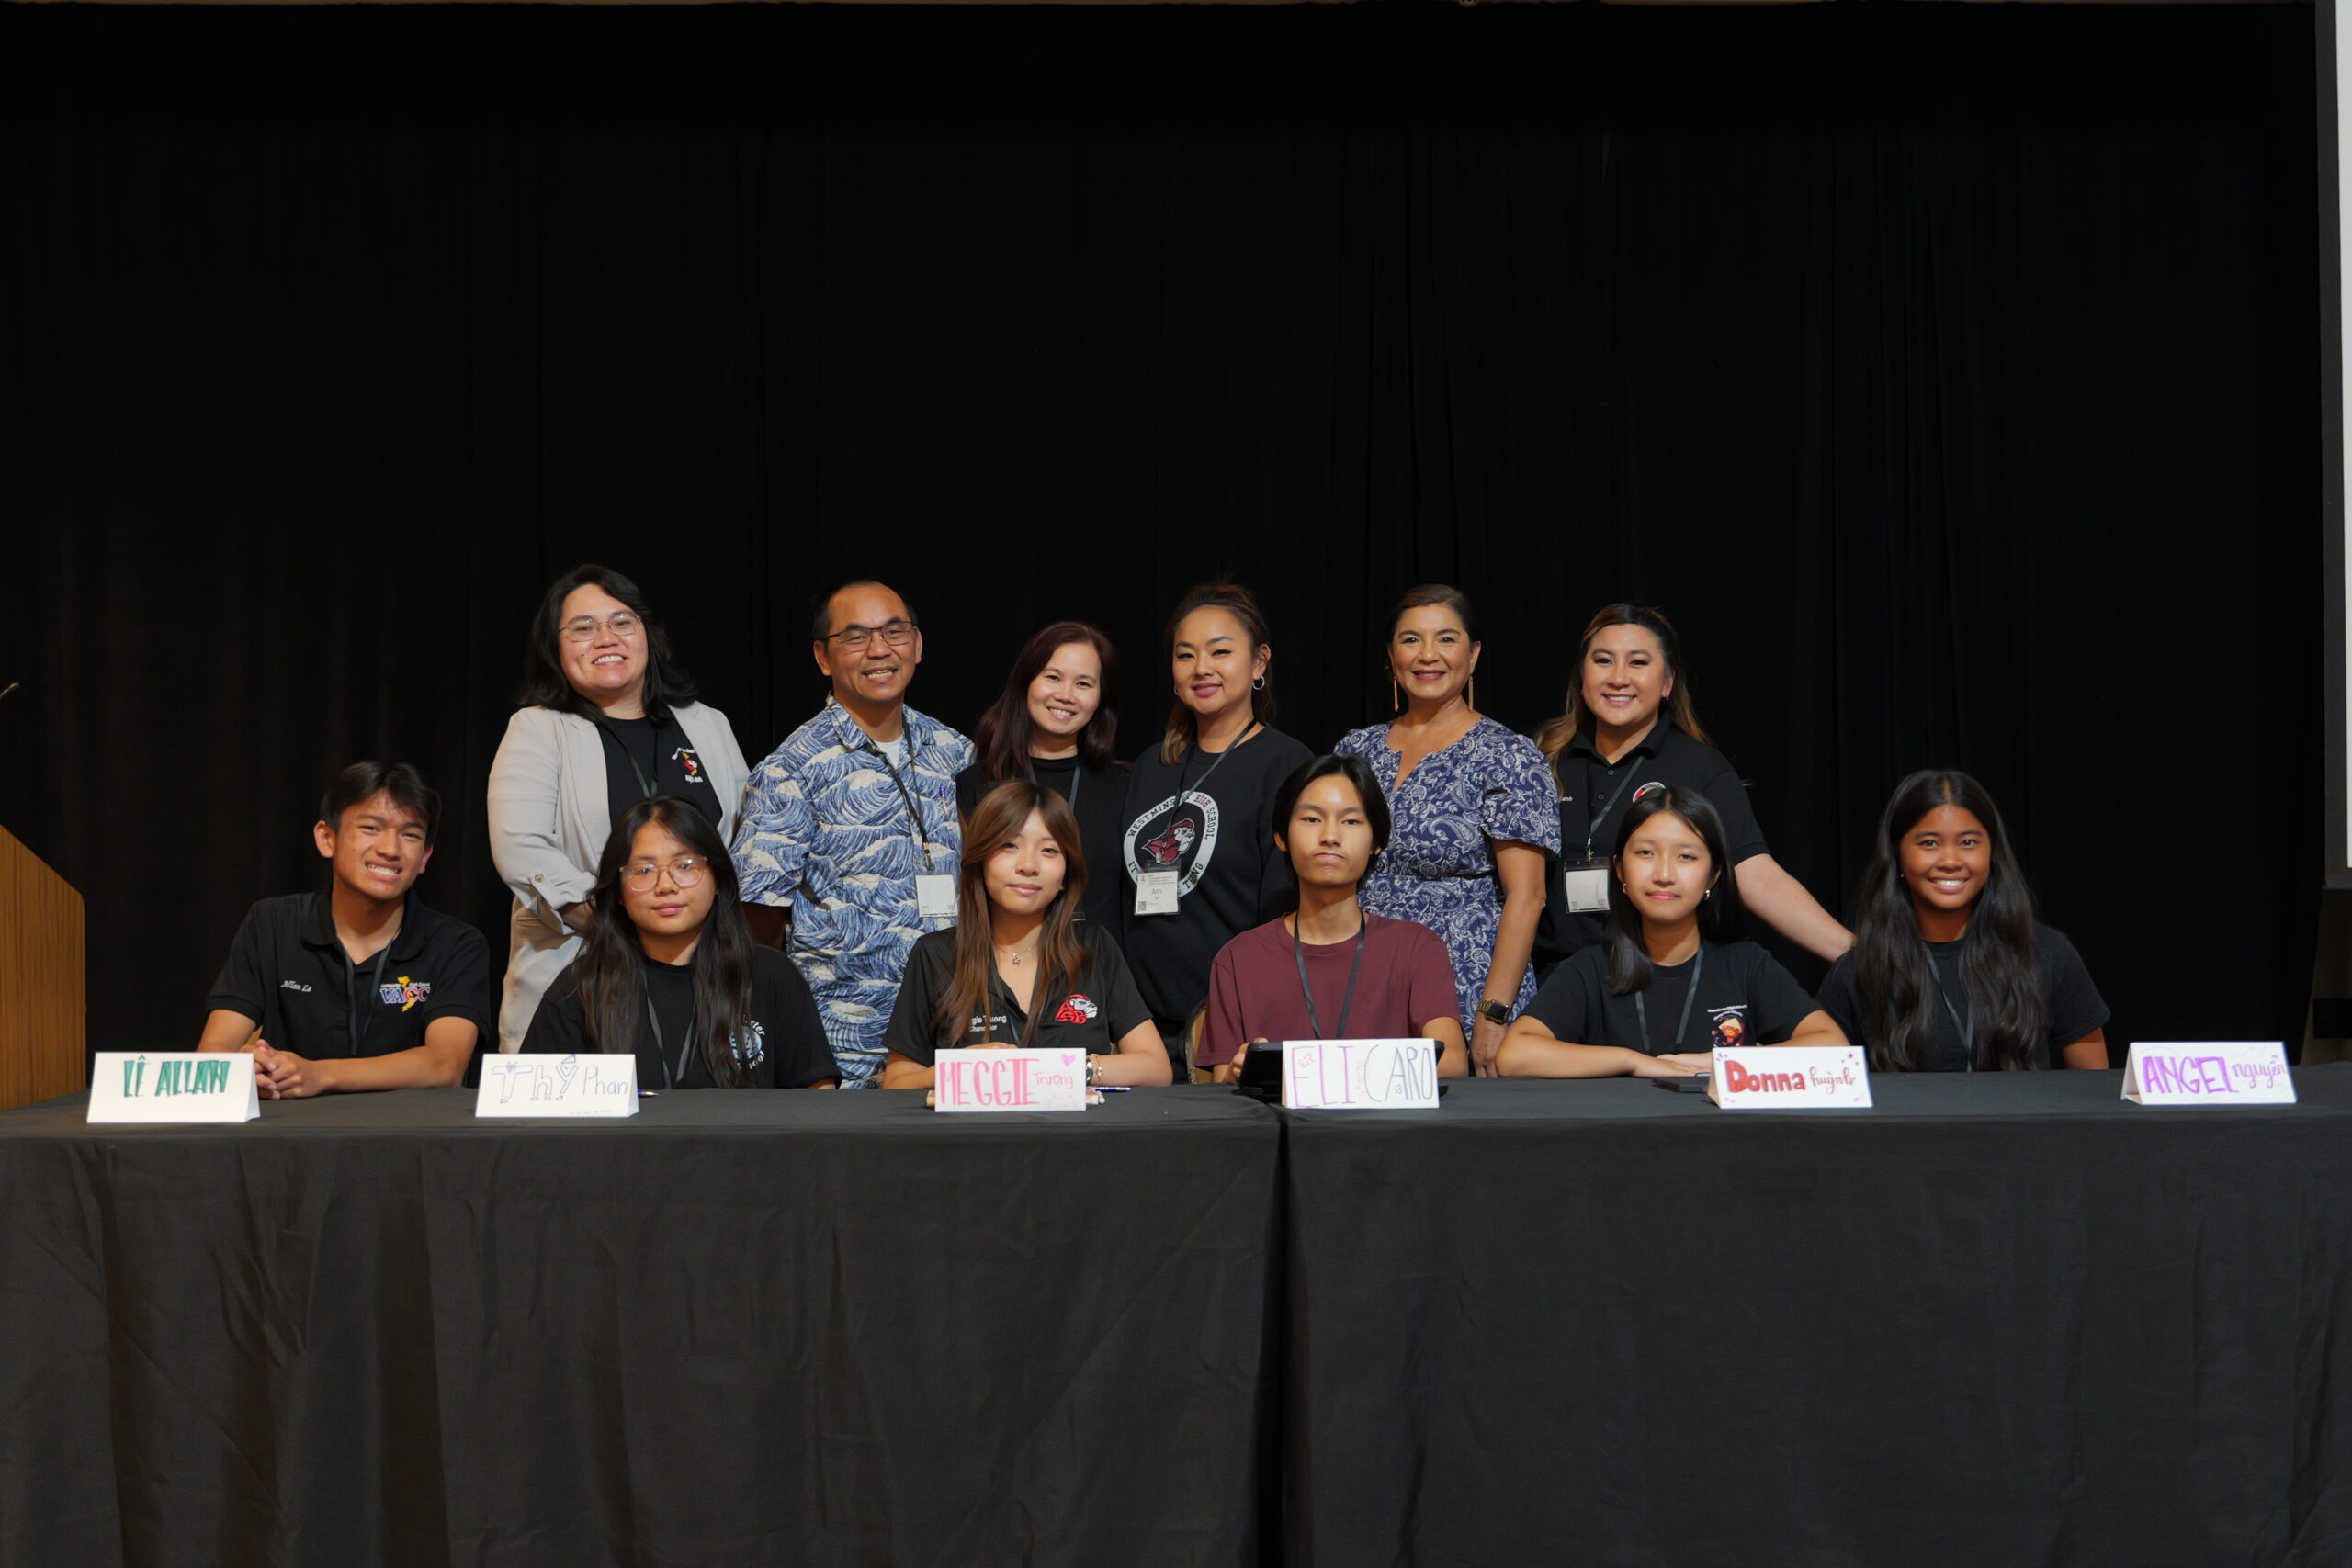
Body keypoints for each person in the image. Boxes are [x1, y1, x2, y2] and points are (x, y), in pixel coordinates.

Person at [487, 564, 752, 1051]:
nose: (605, 638)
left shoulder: (707, 724)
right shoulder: (538, 728)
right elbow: (521, 847)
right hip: (579, 975)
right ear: (554, 645)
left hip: (703, 974)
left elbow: (742, 840)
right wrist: (629, 925)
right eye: (583, 628)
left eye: (622, 621)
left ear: (647, 633)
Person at [733, 580, 974, 1089]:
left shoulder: (956, 754)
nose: (880, 650)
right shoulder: (790, 770)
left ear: (919, 644)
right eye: (856, 637)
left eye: (894, 631)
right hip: (846, 1044)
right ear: (823, 657)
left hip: (955, 1033)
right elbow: (759, 923)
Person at [1530, 604, 1849, 975]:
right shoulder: (1542, 760)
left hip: (1656, 979)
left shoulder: (1700, 770)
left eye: (1638, 663)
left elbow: (1758, 878)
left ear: (1667, 683)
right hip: (1556, 983)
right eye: (1603, 661)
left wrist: (1856, 957)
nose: (1618, 678)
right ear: (1582, 677)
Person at [1336, 585, 1556, 1076]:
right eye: (1411, 640)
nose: (1428, 655)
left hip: (1466, 985)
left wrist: (1493, 1015)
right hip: (1364, 976)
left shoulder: (1508, 755)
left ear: (1473, 654)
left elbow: (1528, 896)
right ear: (1392, 656)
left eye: (1447, 639)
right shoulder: (1355, 750)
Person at [1499, 785, 1843, 1077]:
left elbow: (1832, 1045)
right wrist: (1633, 1062)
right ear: (1620, 870)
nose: (1664, 874)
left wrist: (1719, 1062)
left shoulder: (1745, 964)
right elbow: (1515, 1055)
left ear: (1713, 876)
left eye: (1686, 857)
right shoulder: (1589, 968)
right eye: (1646, 853)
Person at [198, 761, 492, 1098]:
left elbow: (446, 1066)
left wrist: (319, 1074)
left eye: (410, 834)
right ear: (327, 838)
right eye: (371, 828)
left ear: (425, 857)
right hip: (287, 1137)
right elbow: (213, 1053)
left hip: (410, 1140)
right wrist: (247, 1067)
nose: (390, 849)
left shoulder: (456, 944)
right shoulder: (272, 923)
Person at [1119, 583, 1315, 1065]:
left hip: (1233, 1030)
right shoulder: (1151, 765)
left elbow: (1288, 912)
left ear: (1259, 662)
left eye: (1220, 652)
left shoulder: (1287, 764)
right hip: (1139, 1031)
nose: (1201, 668)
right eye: (1185, 655)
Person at [524, 797, 836, 1089]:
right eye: (643, 870)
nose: (665, 885)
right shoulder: (580, 987)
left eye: (685, 866)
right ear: (617, 891)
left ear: (717, 879)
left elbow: (817, 1104)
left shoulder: (771, 976)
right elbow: (535, 1120)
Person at [879, 782, 1170, 1088]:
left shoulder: (1093, 946)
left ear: (1065, 874)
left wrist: (1063, 1069)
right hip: (972, 1135)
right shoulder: (935, 954)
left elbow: (1156, 1068)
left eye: (1049, 850)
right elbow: (897, 1082)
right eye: (1009, 845)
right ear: (979, 860)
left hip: (1078, 1133)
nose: (1029, 865)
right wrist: (963, 1069)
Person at [1197, 755, 1469, 1083]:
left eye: (1351, 822)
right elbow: (1222, 1078)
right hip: (1280, 1130)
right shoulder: (1238, 958)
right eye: (1311, 819)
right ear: (1281, 837)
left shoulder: (1416, 948)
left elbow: (1453, 1061)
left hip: (1387, 1130)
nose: (1330, 836)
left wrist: (1330, 1076)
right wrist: (1239, 1073)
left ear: (1377, 842)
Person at [1816, 770, 2109, 1071]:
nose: (1950, 861)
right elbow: (1823, 1088)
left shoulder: (2048, 953)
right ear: (1898, 855)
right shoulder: (1859, 970)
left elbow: (2091, 1090)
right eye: (1929, 843)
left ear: (1992, 853)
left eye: (1968, 842)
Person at [956, 621, 1129, 939]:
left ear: (1101, 697)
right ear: (1026, 682)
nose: (1065, 695)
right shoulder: (978, 784)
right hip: (1004, 972)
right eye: (1052, 677)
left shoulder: (1125, 786)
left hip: (1100, 975)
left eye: (1084, 684)